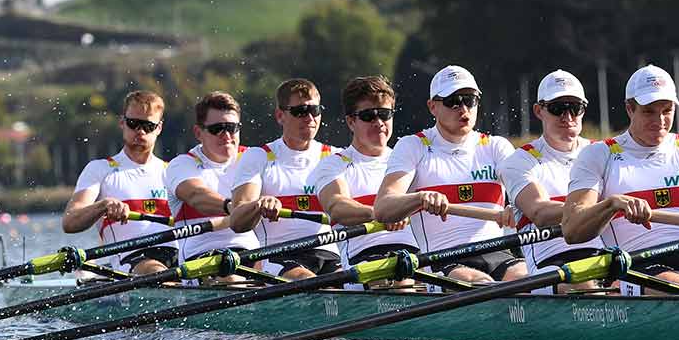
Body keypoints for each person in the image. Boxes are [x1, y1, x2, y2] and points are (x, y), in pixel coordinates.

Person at [563, 65, 679, 293]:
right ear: (629, 109)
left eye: (667, 110)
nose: (660, 120)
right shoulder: (600, 154)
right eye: (649, 111)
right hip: (637, 262)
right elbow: (572, 230)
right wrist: (612, 204)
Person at [374, 65, 526, 283]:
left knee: (525, 279)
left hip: (497, 252)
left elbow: (525, 193)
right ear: (432, 106)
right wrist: (419, 198)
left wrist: (519, 207)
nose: (463, 108)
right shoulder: (414, 146)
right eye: (453, 101)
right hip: (441, 258)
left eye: (470, 100)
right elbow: (383, 208)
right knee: (481, 284)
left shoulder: (496, 147)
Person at [499, 69, 605, 293]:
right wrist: (606, 207)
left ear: (584, 110)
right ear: (539, 111)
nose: (567, 117)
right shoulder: (520, 161)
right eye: (558, 108)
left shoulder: (601, 152)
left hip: (603, 258)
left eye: (574, 108)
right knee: (586, 286)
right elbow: (540, 213)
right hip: (551, 264)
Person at [308, 75, 419, 289]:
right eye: (369, 116)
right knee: (401, 282)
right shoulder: (334, 164)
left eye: (384, 114)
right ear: (351, 122)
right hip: (364, 257)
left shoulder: (409, 159)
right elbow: (337, 207)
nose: (379, 123)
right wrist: (380, 213)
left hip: (415, 255)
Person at [225, 78, 339, 279]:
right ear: (280, 116)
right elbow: (237, 221)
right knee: (310, 281)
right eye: (300, 111)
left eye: (315, 110)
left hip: (329, 254)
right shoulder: (259, 156)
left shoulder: (334, 156)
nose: (309, 118)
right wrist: (259, 205)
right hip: (279, 254)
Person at [63, 89, 175, 274]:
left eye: (148, 126)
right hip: (133, 260)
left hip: (180, 258)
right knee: (156, 271)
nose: (140, 131)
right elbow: (70, 221)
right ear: (122, 122)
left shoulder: (173, 172)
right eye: (133, 124)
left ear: (159, 128)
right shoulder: (100, 170)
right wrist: (103, 206)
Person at [163, 91, 260, 283]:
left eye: (232, 128)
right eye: (217, 129)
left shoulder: (252, 158)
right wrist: (234, 209)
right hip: (201, 256)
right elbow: (197, 195)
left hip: (252, 253)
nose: (227, 135)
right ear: (198, 133)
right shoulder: (182, 164)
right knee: (233, 281)